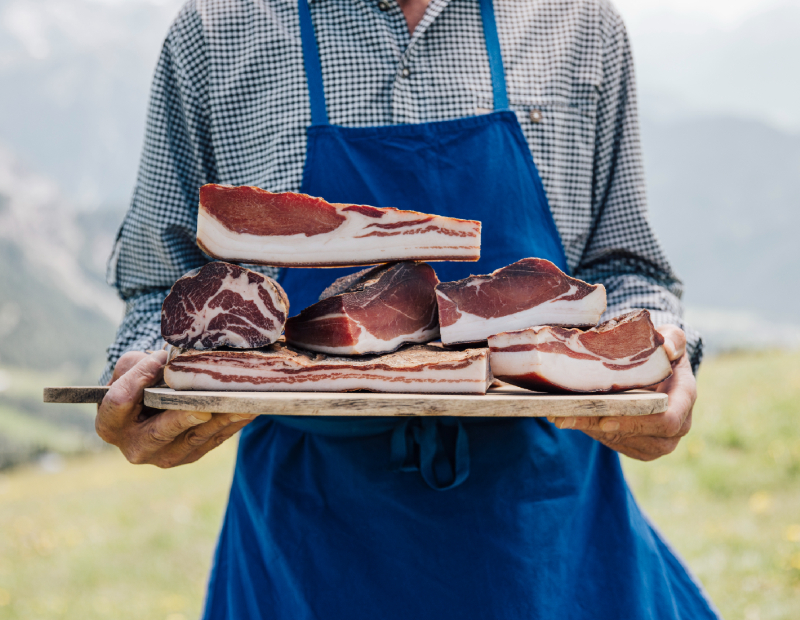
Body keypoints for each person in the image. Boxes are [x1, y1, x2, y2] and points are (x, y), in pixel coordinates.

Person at [96, 0, 718, 617]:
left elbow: (625, 271)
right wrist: (148, 381)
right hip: (307, 541)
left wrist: (659, 357)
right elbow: (159, 286)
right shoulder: (216, 29)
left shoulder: (580, 22)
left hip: (546, 536)